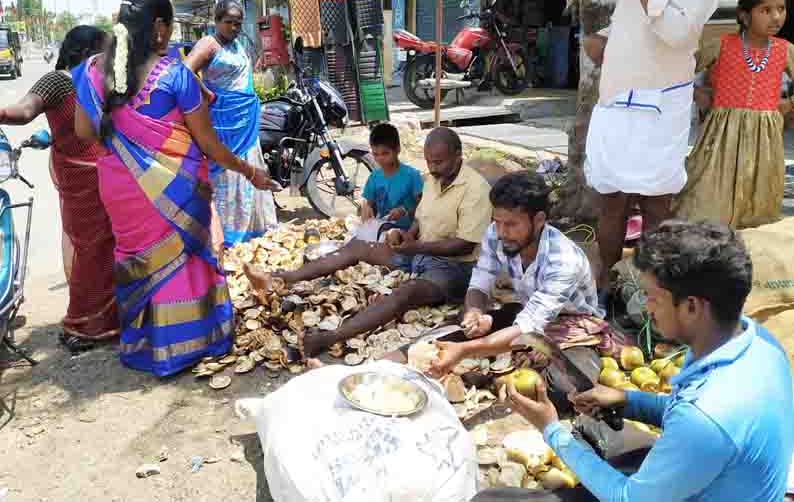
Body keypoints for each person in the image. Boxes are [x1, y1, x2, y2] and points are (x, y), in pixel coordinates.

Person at [474, 221, 794, 502]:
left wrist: (550, 429)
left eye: (652, 297)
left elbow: (628, 498)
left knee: (490, 500)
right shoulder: (758, 344)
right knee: (592, 427)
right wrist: (629, 400)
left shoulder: (705, 419)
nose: (646, 308)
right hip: (714, 477)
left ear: (693, 306)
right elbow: (689, 410)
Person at [72, 0, 279, 377]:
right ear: (160, 29)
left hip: (120, 189)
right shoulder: (175, 75)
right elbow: (210, 146)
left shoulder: (93, 71)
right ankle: (188, 344)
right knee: (182, 260)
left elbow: (84, 130)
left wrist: (126, 139)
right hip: (177, 190)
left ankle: (146, 345)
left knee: (140, 258)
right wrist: (251, 171)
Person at [245, 126, 492, 357]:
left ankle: (330, 336)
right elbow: (421, 217)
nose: (433, 167)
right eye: (429, 161)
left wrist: (416, 246)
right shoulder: (432, 180)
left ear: (459, 155)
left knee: (404, 294)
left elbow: (465, 245)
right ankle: (281, 278)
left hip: (454, 268)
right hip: (419, 252)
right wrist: (408, 235)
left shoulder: (475, 189)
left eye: (439, 162)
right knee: (357, 247)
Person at [582, 0, 718, 307]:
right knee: (612, 201)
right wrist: (604, 37)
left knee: (656, 205)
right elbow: (633, 27)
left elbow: (680, 35)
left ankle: (655, 290)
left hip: (660, 109)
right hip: (616, 103)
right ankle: (608, 284)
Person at [426, 172, 612, 410]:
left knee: (565, 389)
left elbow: (528, 327)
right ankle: (480, 364)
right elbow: (480, 282)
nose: (502, 232)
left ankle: (485, 374)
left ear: (539, 220)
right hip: (526, 312)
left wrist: (464, 351)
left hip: (570, 328)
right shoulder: (496, 234)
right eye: (498, 221)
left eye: (512, 224)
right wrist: (474, 313)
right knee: (449, 334)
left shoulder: (563, 260)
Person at [0, 25, 117, 353]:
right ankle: (82, 324)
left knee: (108, 249)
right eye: (102, 51)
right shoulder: (58, 81)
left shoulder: (98, 82)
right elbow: (24, 111)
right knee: (90, 252)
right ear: (85, 51)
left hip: (106, 174)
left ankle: (109, 318)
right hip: (80, 180)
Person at [674, 0, 794, 229]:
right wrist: (697, 93)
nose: (776, 17)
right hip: (720, 139)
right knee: (709, 195)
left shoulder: (785, 50)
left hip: (765, 142)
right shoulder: (722, 45)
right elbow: (677, 72)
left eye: (781, 9)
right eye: (765, 10)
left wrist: (788, 104)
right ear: (744, 15)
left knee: (757, 199)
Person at [183, 0, 278, 251]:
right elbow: (185, 71)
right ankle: (228, 237)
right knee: (227, 172)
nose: (234, 28)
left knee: (251, 166)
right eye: (229, 23)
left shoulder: (237, 46)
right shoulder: (209, 44)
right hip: (223, 122)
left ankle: (253, 231)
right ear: (216, 21)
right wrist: (206, 92)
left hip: (245, 121)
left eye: (238, 23)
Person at [360, 122, 423, 232]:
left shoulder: (412, 176)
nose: (380, 159)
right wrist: (366, 207)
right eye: (375, 154)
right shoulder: (374, 177)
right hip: (382, 230)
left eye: (385, 153)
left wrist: (405, 210)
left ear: (398, 149)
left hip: (408, 232)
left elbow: (423, 207)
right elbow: (367, 202)